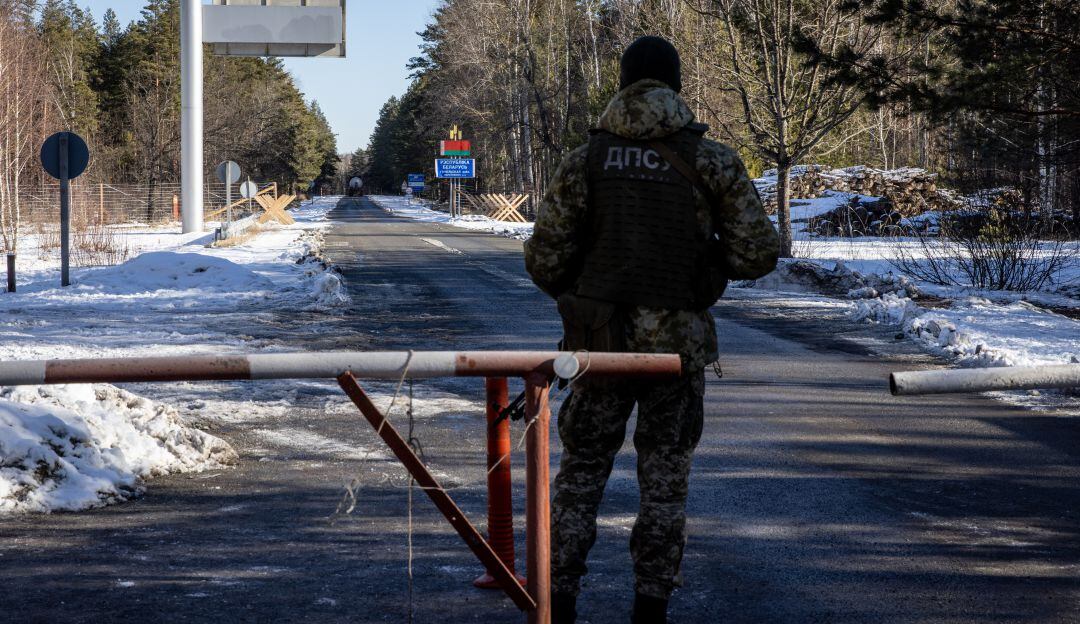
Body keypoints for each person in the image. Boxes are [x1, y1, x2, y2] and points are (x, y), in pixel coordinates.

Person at [524, 36, 780, 623]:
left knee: (582, 473)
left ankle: (557, 600)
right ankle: (651, 605)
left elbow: (543, 259)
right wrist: (704, 270)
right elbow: (758, 252)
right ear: (676, 84)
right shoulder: (711, 159)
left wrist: (585, 297)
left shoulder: (586, 159)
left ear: (622, 83)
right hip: (677, 350)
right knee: (664, 481)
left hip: (599, 348)